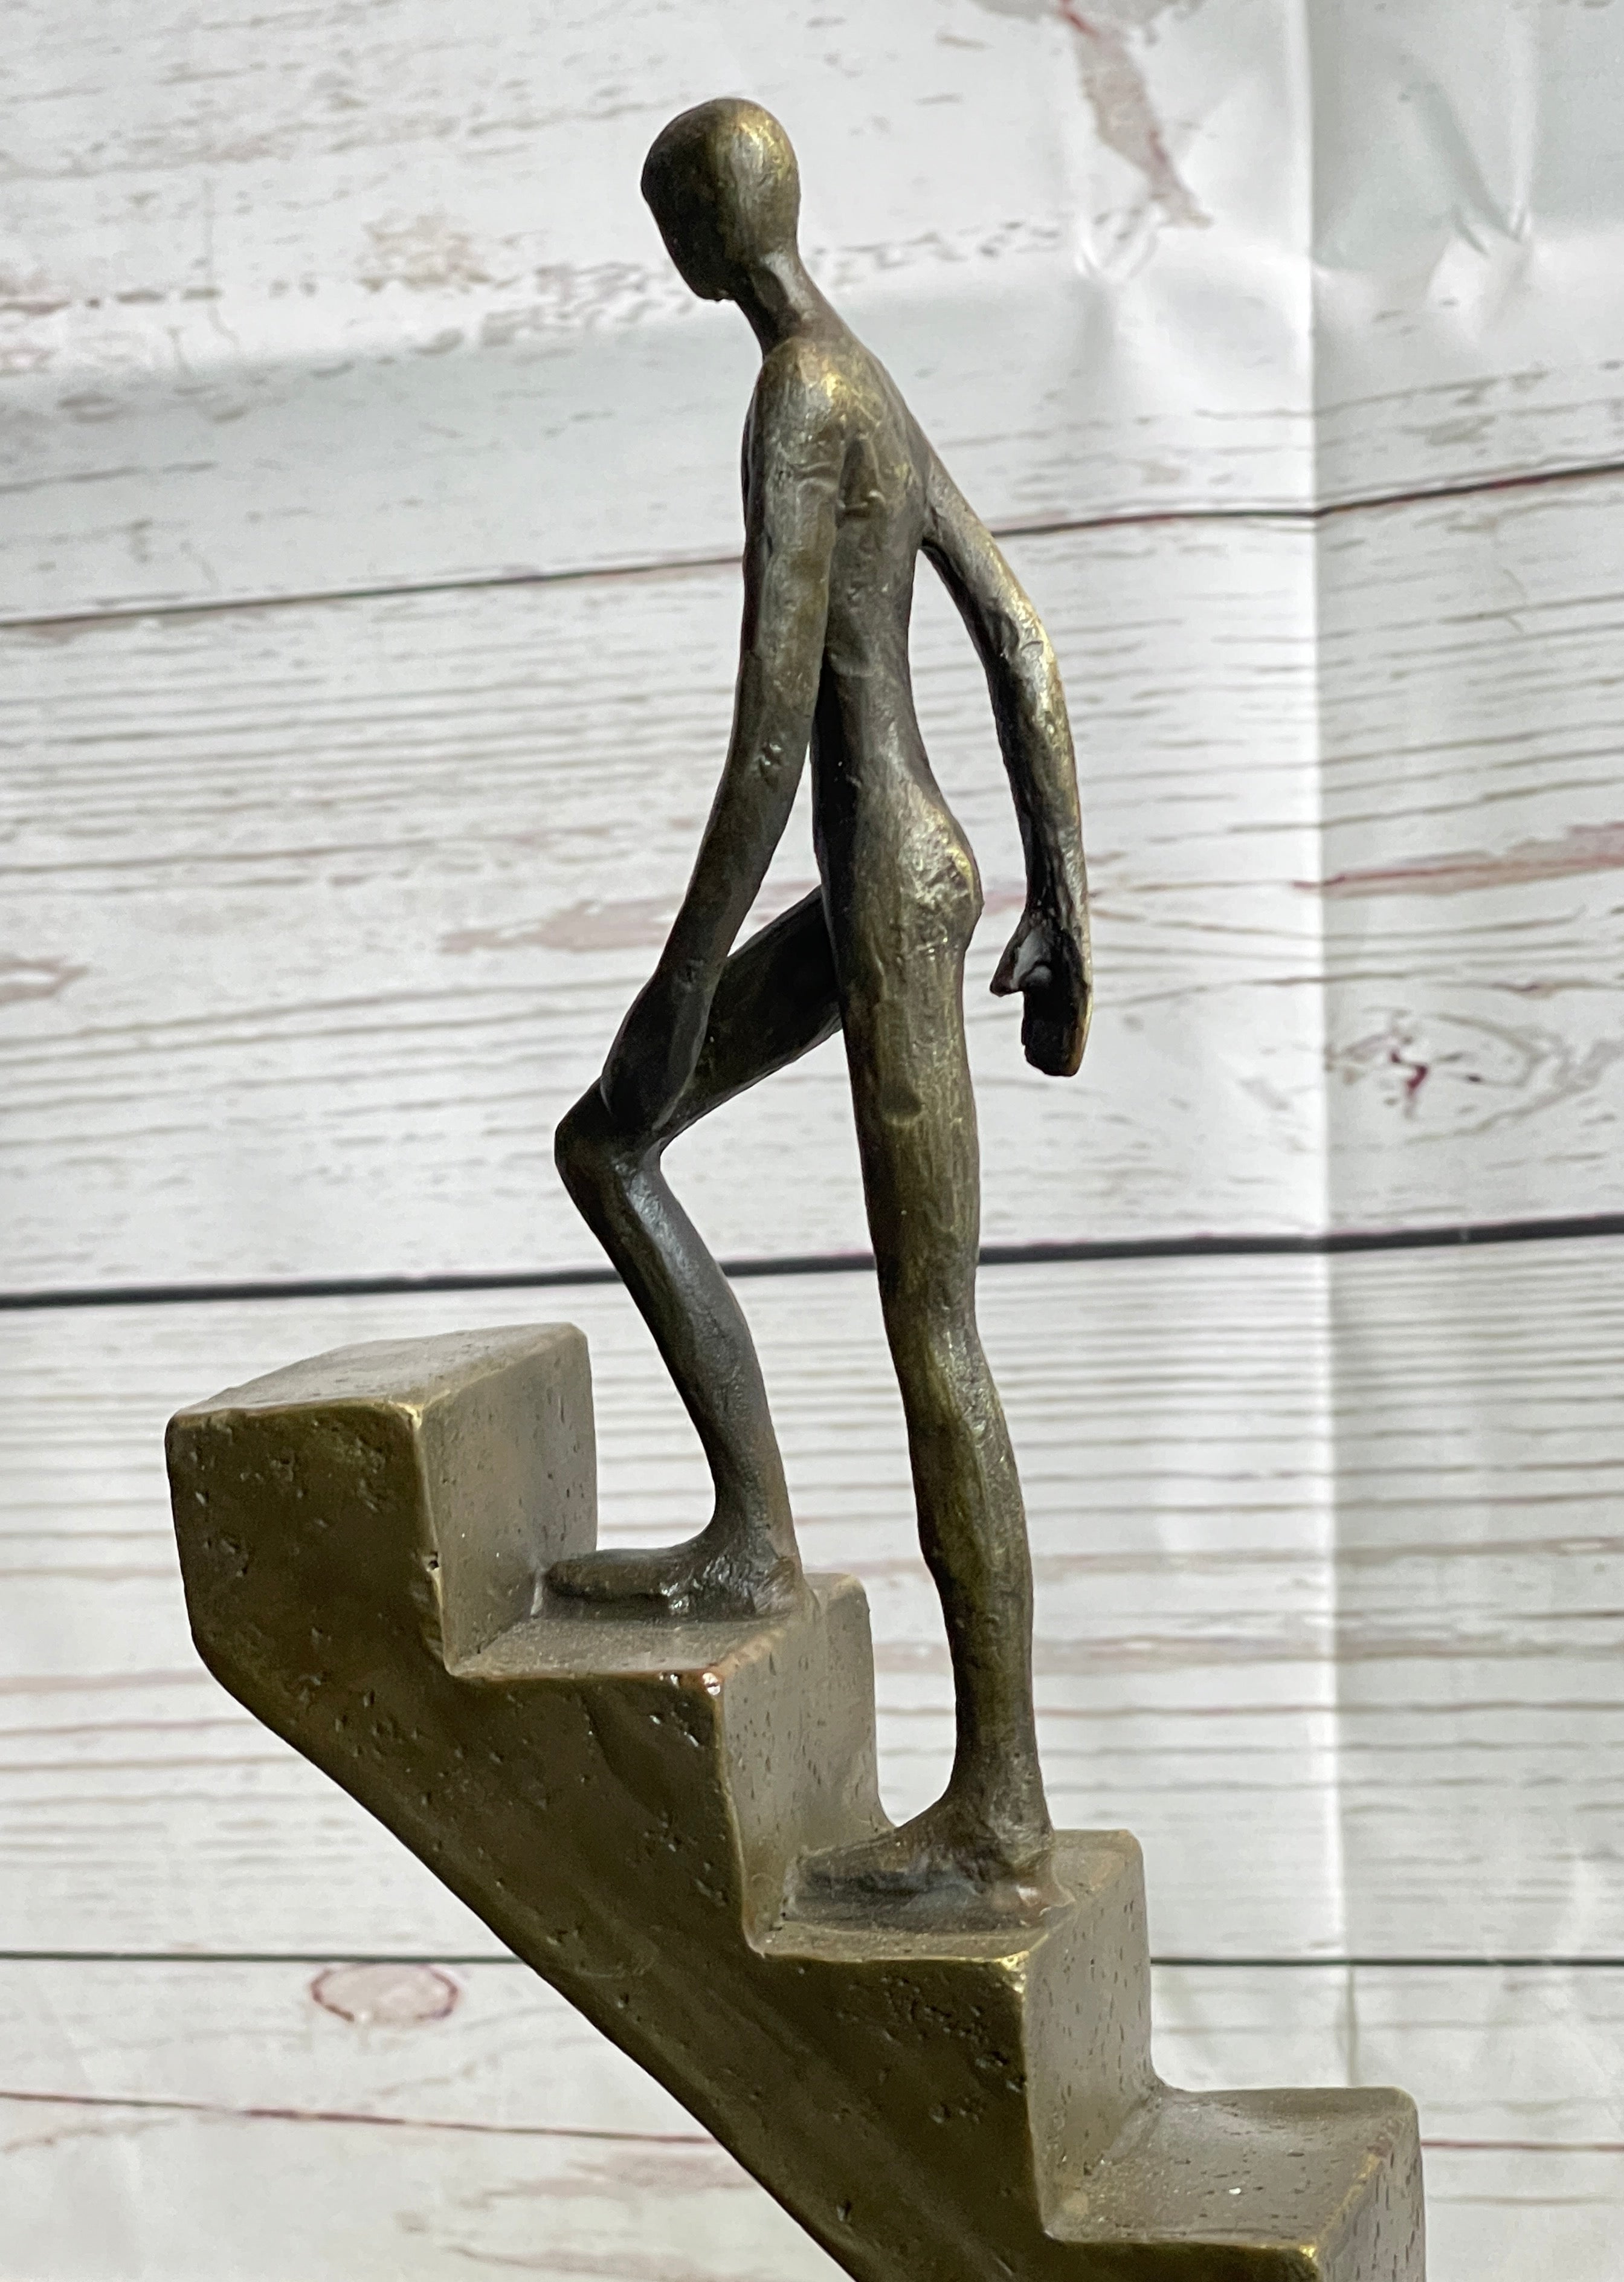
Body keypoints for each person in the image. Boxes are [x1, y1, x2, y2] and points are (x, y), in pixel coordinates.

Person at [549, 98, 1091, 1904]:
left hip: (883, 891)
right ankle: (751, 1539)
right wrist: (1062, 901)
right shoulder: (859, 368)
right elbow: (1020, 634)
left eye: (669, 222)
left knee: (936, 1342)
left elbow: (769, 743)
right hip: (914, 875)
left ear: (702, 233)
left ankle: (1001, 1807)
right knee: (612, 1153)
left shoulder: (801, 400)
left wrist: (679, 982)